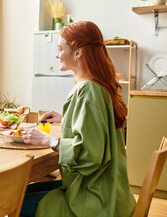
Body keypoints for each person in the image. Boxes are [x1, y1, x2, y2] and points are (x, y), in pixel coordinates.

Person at [20, 21, 136, 216]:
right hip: (112, 191)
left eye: (59, 49)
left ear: (78, 53)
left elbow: (90, 155)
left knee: (15, 200)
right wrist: (66, 118)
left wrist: (50, 140)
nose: (57, 55)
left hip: (94, 200)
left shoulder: (87, 90)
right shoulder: (99, 86)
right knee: (21, 192)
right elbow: (99, 129)